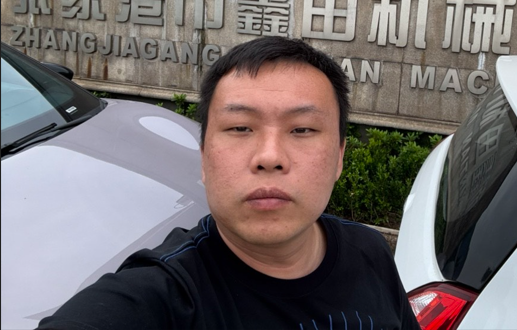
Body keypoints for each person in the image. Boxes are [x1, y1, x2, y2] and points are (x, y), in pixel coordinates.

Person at [39, 37, 420, 330]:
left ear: (338, 157)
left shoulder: (369, 252)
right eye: (240, 128)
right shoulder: (163, 298)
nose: (269, 156)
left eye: (302, 129)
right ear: (204, 155)